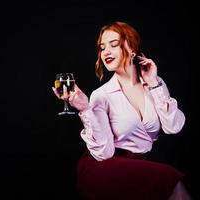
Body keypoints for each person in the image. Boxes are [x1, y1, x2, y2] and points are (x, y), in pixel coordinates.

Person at [53, 21, 191, 200]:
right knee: (169, 177)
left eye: (114, 45)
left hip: (139, 165)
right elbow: (104, 153)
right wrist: (85, 109)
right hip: (103, 165)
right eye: (102, 48)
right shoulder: (101, 95)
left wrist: (154, 84)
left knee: (164, 181)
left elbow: (174, 127)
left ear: (131, 47)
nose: (106, 52)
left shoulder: (155, 83)